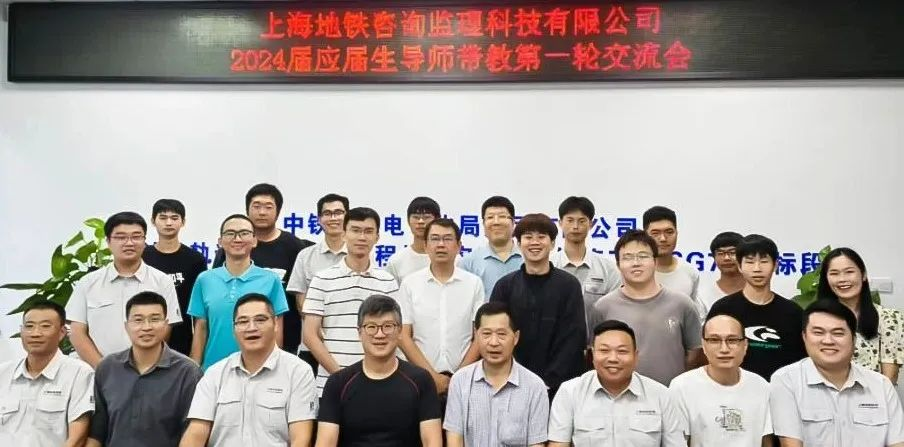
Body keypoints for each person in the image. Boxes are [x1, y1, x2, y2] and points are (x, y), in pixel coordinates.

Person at [181, 293, 317, 447]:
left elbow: (301, 440)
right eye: (243, 321)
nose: (251, 328)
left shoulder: (298, 372)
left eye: (260, 320)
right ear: (234, 329)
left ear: (275, 324)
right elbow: (195, 435)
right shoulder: (214, 374)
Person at [770, 299, 904, 447]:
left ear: (853, 339)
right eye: (818, 332)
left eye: (838, 333)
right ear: (804, 337)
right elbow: (791, 444)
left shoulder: (881, 385)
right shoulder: (786, 381)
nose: (828, 341)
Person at [315, 295, 442, 447]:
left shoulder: (421, 380)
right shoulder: (338, 383)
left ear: (399, 330)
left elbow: (432, 442)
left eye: (388, 326)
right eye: (371, 327)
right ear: (359, 332)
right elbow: (326, 443)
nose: (380, 334)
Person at [302, 207, 400, 397]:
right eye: (355, 230)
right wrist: (341, 377)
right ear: (344, 234)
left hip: (379, 384)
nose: (362, 237)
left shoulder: (387, 281)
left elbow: (396, 333)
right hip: (331, 385)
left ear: (377, 237)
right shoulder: (322, 279)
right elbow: (310, 335)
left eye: (368, 231)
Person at [67, 211, 182, 368]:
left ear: (144, 241)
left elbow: (165, 329)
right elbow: (77, 332)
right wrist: (104, 369)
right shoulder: (88, 283)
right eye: (121, 237)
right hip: (96, 372)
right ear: (108, 241)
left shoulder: (162, 281)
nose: (129, 243)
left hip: (147, 371)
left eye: (136, 236)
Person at [212, 183, 315, 357]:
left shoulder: (295, 247)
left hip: (285, 340)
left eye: (268, 207)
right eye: (256, 206)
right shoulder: (232, 247)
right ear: (247, 210)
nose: (262, 212)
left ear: (278, 211)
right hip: (236, 338)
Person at [489, 213, 585, 398]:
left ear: (553, 243)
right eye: (528, 237)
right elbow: (497, 333)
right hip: (512, 383)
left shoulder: (569, 285)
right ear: (518, 244)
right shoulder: (505, 286)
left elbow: (574, 337)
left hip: (561, 387)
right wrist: (517, 377)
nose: (535, 242)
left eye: (541, 237)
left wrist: (549, 381)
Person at [88, 292, 203, 447]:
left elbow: (194, 434)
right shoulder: (107, 368)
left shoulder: (188, 372)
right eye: (138, 320)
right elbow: (97, 432)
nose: (146, 327)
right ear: (126, 326)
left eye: (154, 319)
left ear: (166, 324)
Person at [591, 230, 703, 385]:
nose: (636, 263)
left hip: (670, 394)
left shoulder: (682, 304)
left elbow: (694, 353)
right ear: (618, 265)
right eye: (628, 257)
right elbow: (595, 354)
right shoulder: (603, 307)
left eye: (643, 256)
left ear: (655, 262)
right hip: (619, 394)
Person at [548, 320, 685, 447]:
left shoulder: (661, 395)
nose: (613, 358)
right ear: (592, 355)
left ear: (635, 356)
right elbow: (558, 444)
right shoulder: (570, 392)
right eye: (604, 350)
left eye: (622, 351)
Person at [188, 214, 289, 370]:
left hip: (259, 370)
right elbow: (200, 329)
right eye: (230, 233)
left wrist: (275, 368)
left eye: (244, 233)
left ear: (254, 240)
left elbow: (276, 329)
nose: (237, 239)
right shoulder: (205, 279)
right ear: (220, 241)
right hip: (213, 370)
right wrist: (194, 369)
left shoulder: (271, 279)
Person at [397, 218, 484, 396]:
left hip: (465, 381)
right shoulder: (410, 284)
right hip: (419, 379)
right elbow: (404, 336)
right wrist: (431, 376)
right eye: (435, 239)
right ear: (426, 245)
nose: (441, 245)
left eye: (448, 239)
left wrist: (459, 377)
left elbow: (479, 335)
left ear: (459, 246)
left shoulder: (473, 283)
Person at [444, 302, 549, 446]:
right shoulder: (460, 381)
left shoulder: (535, 387)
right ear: (476, 335)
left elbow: (536, 444)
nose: (494, 342)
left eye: (501, 334)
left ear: (516, 337)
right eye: (486, 334)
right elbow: (454, 440)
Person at [708, 234, 806, 381]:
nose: (757, 269)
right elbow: (711, 353)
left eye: (764, 261)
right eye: (749, 262)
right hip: (734, 388)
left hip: (782, 389)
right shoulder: (723, 309)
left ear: (776, 265)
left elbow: (802, 361)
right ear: (739, 266)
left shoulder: (793, 312)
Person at [669, 313, 773, 447]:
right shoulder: (682, 387)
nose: (724, 349)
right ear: (704, 345)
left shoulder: (761, 386)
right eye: (714, 340)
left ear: (745, 345)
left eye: (732, 340)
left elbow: (766, 442)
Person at [0, 301, 94, 447]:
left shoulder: (79, 373)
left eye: (45, 326)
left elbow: (77, 438)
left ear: (62, 332)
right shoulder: (3, 373)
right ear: (21, 331)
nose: (35, 333)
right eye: (29, 326)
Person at [818, 247, 903, 384]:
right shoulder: (817, 318)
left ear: (863, 275)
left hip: (873, 395)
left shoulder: (889, 318)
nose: (842, 279)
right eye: (834, 273)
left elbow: (890, 377)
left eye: (849, 272)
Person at [287, 193, 349, 373]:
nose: (333, 218)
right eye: (327, 213)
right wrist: (317, 329)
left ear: (348, 216)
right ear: (319, 219)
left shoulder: (360, 254)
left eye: (338, 212)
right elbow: (301, 301)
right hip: (312, 345)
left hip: (351, 343)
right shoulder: (305, 256)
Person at [143, 199, 208, 356]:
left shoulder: (195, 259)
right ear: (153, 221)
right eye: (163, 218)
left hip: (183, 338)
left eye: (174, 218)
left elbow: (199, 309)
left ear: (183, 222)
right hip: (146, 333)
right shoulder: (143, 257)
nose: (168, 223)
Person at [552, 196, 622, 338]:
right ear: (560, 223)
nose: (575, 226)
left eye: (582, 221)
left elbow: (616, 311)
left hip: (597, 347)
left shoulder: (608, 269)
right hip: (554, 347)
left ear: (591, 224)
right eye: (570, 220)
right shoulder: (549, 266)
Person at [643, 206, 704, 316]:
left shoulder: (689, 272)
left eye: (669, 232)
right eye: (655, 233)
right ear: (645, 235)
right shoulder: (635, 272)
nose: (663, 238)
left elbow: (694, 316)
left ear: (677, 233)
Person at [460, 196, 523, 298]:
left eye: (502, 216)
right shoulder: (468, 262)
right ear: (483, 224)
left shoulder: (527, 258)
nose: (496, 222)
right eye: (490, 217)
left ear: (513, 223)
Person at [385, 197, 442, 281]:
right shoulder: (396, 261)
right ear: (408, 221)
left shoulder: (452, 259)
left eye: (426, 217)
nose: (421, 221)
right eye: (416, 217)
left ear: (437, 220)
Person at [694, 231, 745, 316]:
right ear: (714, 257)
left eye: (732, 252)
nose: (726, 258)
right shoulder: (703, 296)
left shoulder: (758, 292)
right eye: (720, 253)